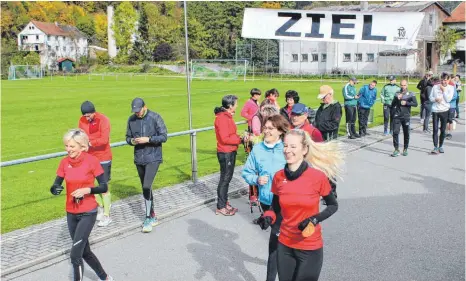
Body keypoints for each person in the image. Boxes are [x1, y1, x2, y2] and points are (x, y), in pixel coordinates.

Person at [257, 129, 343, 281]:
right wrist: (268, 217)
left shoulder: (317, 177)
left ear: (304, 150)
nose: (287, 150)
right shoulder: (279, 177)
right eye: (285, 146)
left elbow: (332, 205)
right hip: (284, 245)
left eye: (293, 146)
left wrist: (314, 219)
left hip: (309, 246)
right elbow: (275, 208)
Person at [50, 129, 114, 281]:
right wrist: (55, 189)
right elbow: (56, 184)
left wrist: (88, 190)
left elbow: (104, 187)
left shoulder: (92, 161)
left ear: (82, 146)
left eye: (72, 146)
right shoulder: (64, 162)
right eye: (66, 146)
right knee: (84, 251)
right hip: (71, 212)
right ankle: (105, 277)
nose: (68, 149)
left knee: (75, 254)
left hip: (88, 212)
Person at [241, 114, 289, 281]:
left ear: (280, 131)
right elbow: (246, 172)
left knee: (277, 240)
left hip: (286, 202)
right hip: (267, 201)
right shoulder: (258, 149)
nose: (266, 131)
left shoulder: (286, 148)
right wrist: (256, 179)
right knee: (278, 238)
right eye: (265, 128)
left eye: (270, 128)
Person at [126, 97, 168, 233]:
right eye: (135, 111)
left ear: (145, 107)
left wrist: (148, 139)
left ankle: (148, 217)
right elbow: (127, 137)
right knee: (146, 189)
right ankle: (153, 214)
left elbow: (164, 136)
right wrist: (132, 141)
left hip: (153, 157)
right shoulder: (131, 120)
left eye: (139, 111)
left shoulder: (155, 117)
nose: (137, 113)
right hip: (139, 158)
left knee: (146, 186)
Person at [78, 101, 113, 227]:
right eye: (85, 116)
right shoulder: (82, 120)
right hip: (89, 158)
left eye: (88, 116)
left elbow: (104, 140)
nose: (86, 118)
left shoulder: (103, 120)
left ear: (94, 112)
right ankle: (102, 206)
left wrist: (89, 142)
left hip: (103, 157)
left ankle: (107, 215)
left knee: (103, 186)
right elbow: (81, 136)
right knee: (90, 185)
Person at [214, 95, 246, 216]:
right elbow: (224, 138)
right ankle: (221, 206)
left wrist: (239, 137)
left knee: (227, 178)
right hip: (225, 152)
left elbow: (230, 134)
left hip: (230, 150)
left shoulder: (227, 117)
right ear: (230, 105)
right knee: (225, 179)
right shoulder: (222, 118)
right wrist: (240, 140)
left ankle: (224, 202)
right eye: (236, 104)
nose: (237, 106)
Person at [390, 80, 418, 157]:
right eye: (401, 85)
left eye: (404, 85)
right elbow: (392, 104)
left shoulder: (411, 94)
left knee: (406, 133)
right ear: (400, 85)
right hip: (397, 116)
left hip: (406, 116)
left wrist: (407, 103)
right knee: (395, 132)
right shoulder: (397, 94)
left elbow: (416, 104)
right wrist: (396, 99)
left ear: (407, 85)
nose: (403, 87)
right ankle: (396, 149)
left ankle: (405, 149)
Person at [429, 73, 454, 154]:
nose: (443, 82)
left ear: (448, 80)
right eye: (442, 80)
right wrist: (435, 99)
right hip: (435, 110)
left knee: (443, 130)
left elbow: (448, 100)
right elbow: (430, 97)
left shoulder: (451, 88)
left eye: (445, 80)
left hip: (445, 110)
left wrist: (444, 90)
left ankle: (441, 146)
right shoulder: (435, 87)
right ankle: (435, 147)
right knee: (435, 130)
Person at [446, 75, 459, 140]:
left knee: (450, 120)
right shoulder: (444, 86)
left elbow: (455, 96)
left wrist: (448, 99)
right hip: (445, 106)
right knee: (445, 120)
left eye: (447, 79)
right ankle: (445, 132)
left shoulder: (452, 86)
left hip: (451, 106)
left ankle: (449, 133)